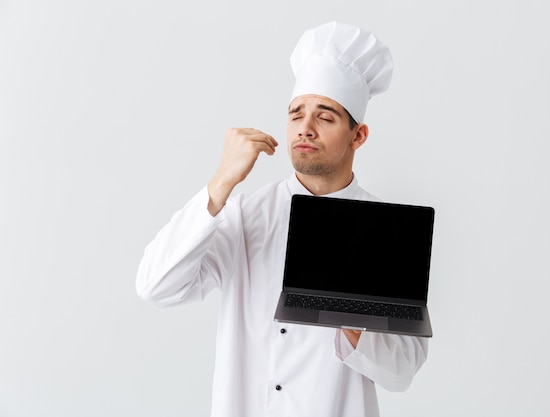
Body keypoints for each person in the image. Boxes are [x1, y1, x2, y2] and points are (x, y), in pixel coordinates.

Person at [136, 21, 428, 417]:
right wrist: (222, 182)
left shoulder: (385, 232)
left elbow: (402, 371)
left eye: (324, 118)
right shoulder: (244, 215)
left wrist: (350, 317)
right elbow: (156, 287)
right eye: (295, 115)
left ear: (357, 136)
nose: (304, 129)